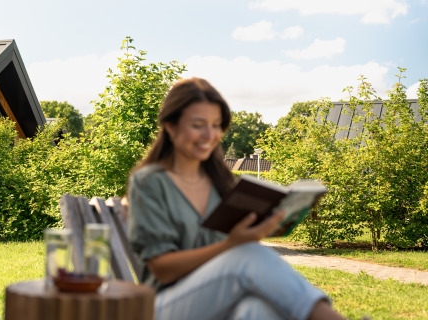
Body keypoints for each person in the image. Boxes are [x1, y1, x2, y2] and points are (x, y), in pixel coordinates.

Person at [128, 77, 346, 320]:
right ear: (171, 126)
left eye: (217, 125)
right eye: (198, 125)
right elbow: (162, 270)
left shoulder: (220, 181)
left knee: (256, 310)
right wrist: (232, 244)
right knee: (249, 254)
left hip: (218, 300)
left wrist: (267, 225)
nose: (210, 135)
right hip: (165, 307)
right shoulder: (149, 182)